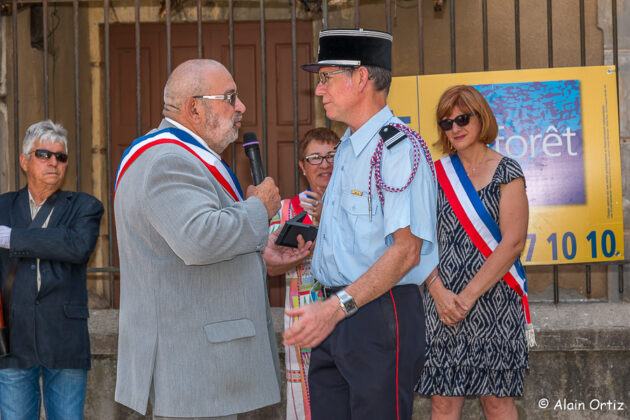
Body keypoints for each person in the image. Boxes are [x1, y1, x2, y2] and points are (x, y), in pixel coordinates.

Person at [113, 58, 312, 420]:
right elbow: (199, 239)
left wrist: (260, 254)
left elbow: (185, 249)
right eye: (230, 97)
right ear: (194, 108)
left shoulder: (177, 157)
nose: (241, 107)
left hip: (203, 370)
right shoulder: (167, 161)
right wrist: (258, 207)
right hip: (194, 371)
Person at [284, 29, 439, 420]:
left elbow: (406, 251)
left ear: (361, 78)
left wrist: (337, 307)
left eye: (326, 77)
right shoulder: (349, 148)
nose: (319, 90)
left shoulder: (398, 149)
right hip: (336, 311)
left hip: (377, 313)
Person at [416, 85, 532, 420]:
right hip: (443, 302)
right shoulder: (434, 174)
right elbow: (417, 240)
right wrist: (439, 293)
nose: (456, 128)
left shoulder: (508, 171)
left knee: (496, 402)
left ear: (481, 118)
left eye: (463, 118)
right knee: (443, 401)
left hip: (494, 298)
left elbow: (513, 242)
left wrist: (466, 297)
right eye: (446, 122)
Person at [0, 120, 104, 420]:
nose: (53, 162)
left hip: (65, 337)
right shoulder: (3, 207)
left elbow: (76, 246)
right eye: (44, 154)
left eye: (61, 157)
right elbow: (61, 242)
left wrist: (11, 238)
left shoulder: (85, 207)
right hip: (12, 341)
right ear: (24, 161)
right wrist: (51, 242)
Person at [268, 127, 339, 420]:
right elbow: (271, 268)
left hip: (348, 314)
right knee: (309, 402)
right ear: (302, 166)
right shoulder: (286, 211)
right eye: (315, 158)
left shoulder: (359, 206)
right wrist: (304, 249)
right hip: (303, 319)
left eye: (332, 156)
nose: (324, 164)